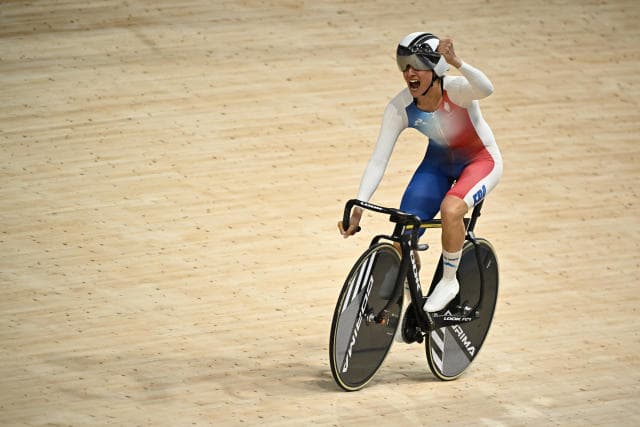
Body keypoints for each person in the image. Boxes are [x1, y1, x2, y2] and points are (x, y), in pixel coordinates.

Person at [338, 32, 502, 313]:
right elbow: (379, 160)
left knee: (451, 210)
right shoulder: (400, 107)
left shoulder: (457, 90)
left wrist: (457, 62)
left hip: (479, 161)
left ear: (436, 68)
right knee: (404, 233)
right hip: (438, 164)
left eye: (416, 66)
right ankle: (409, 303)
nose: (409, 73)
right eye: (404, 66)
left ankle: (449, 281)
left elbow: (486, 89)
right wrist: (359, 205)